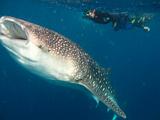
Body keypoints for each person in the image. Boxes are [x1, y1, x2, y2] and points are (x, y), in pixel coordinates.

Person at [84, 9, 151, 32]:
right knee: (129, 23)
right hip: (119, 20)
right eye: (87, 14)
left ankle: (144, 22)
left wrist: (143, 27)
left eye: (88, 13)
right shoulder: (94, 17)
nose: (88, 14)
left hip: (120, 18)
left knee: (131, 22)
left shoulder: (99, 13)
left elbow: (108, 16)